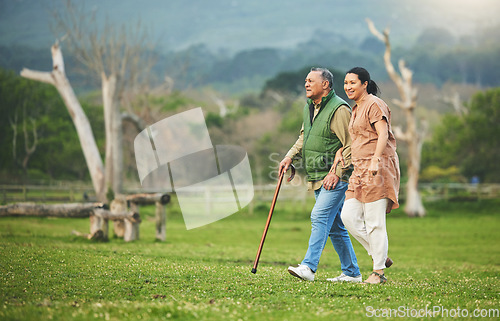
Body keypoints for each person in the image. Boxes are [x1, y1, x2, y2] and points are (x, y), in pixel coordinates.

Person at [279, 67, 361, 282]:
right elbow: (304, 137)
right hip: (316, 175)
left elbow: (351, 145)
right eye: (305, 80)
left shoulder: (339, 109)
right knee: (335, 228)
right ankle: (352, 273)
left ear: (325, 85)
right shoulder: (309, 107)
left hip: (335, 177)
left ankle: (309, 267)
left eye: (310, 80)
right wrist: (289, 157)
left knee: (319, 216)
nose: (306, 84)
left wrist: (338, 172)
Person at [339, 67, 400, 284]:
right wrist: (341, 152)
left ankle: (378, 272)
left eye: (352, 83)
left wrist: (375, 159)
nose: (348, 87)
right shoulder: (356, 108)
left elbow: (382, 133)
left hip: (378, 167)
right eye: (346, 83)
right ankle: (379, 255)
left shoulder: (374, 104)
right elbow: (357, 138)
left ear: (365, 84)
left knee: (375, 221)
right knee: (348, 216)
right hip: (359, 170)